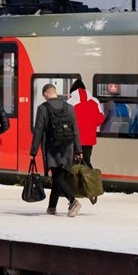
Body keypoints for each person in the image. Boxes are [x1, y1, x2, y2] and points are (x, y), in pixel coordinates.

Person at [30, 84, 83, 217]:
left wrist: (33, 151)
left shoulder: (43, 108)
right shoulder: (69, 107)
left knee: (57, 176)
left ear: (46, 94)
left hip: (53, 147)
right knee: (59, 176)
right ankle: (52, 207)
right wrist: (78, 150)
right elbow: (75, 130)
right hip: (68, 147)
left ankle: (73, 201)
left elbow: (38, 131)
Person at [67, 79, 105, 168]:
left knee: (74, 163)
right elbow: (100, 119)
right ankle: (89, 176)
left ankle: (76, 178)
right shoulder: (95, 101)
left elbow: (67, 120)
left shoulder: (70, 102)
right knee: (86, 160)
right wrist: (90, 125)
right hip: (89, 139)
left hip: (74, 139)